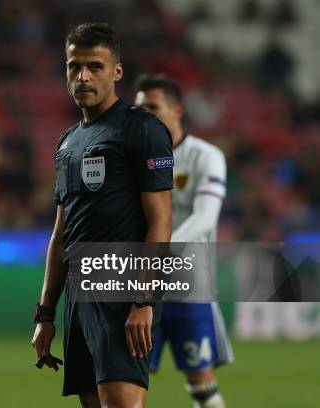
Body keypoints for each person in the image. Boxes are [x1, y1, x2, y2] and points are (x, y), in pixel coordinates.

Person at [31, 23, 173, 408]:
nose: (83, 76)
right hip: (80, 293)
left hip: (122, 286)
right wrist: (45, 314)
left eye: (95, 66)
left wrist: (144, 300)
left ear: (117, 72)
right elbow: (60, 234)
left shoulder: (141, 129)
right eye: (73, 66)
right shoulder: (67, 143)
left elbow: (161, 220)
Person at [134, 74, 234, 408]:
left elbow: (205, 218)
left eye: (152, 106)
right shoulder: (130, 158)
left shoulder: (205, 156)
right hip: (141, 288)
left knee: (201, 383)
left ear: (176, 110)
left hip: (190, 285)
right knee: (126, 379)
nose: (144, 114)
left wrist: (159, 251)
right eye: (138, 108)